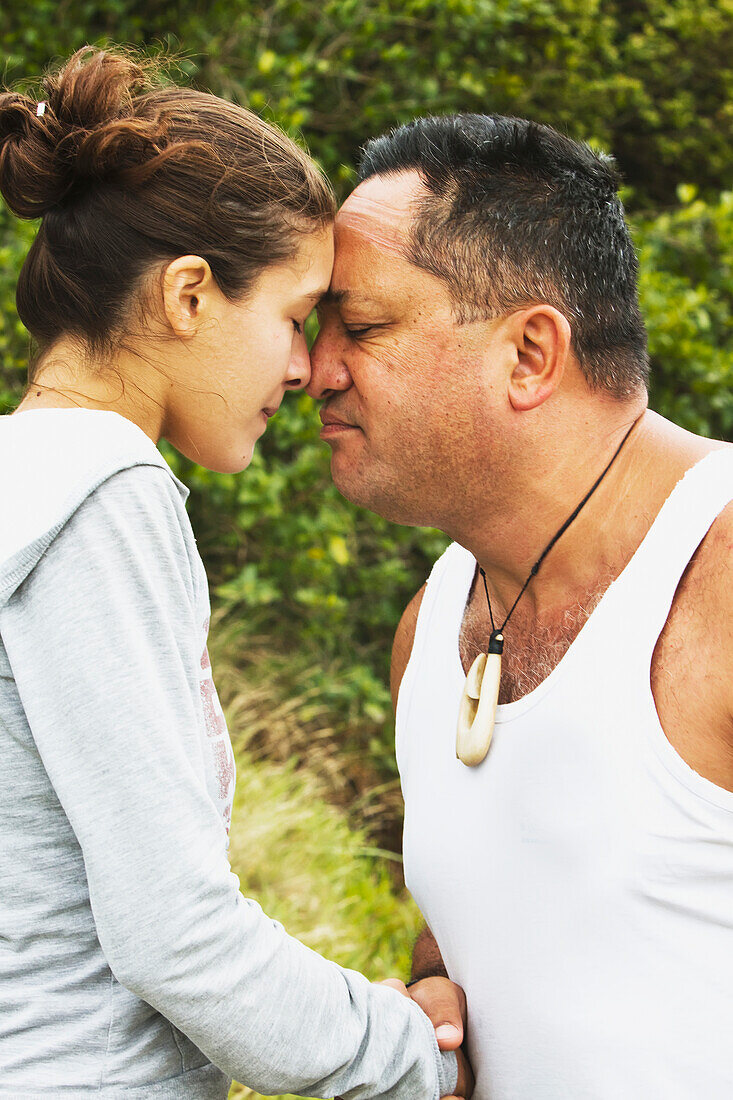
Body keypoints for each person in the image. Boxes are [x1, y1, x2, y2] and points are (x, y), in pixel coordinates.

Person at [0, 49, 470, 1100]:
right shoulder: (103, 491)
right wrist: (411, 1056)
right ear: (187, 295)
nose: (305, 367)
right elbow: (177, 936)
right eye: (295, 316)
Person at [307, 113, 733, 1099]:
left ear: (530, 352)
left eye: (359, 326)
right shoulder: (430, 627)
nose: (312, 371)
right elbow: (487, 920)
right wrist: (431, 1002)